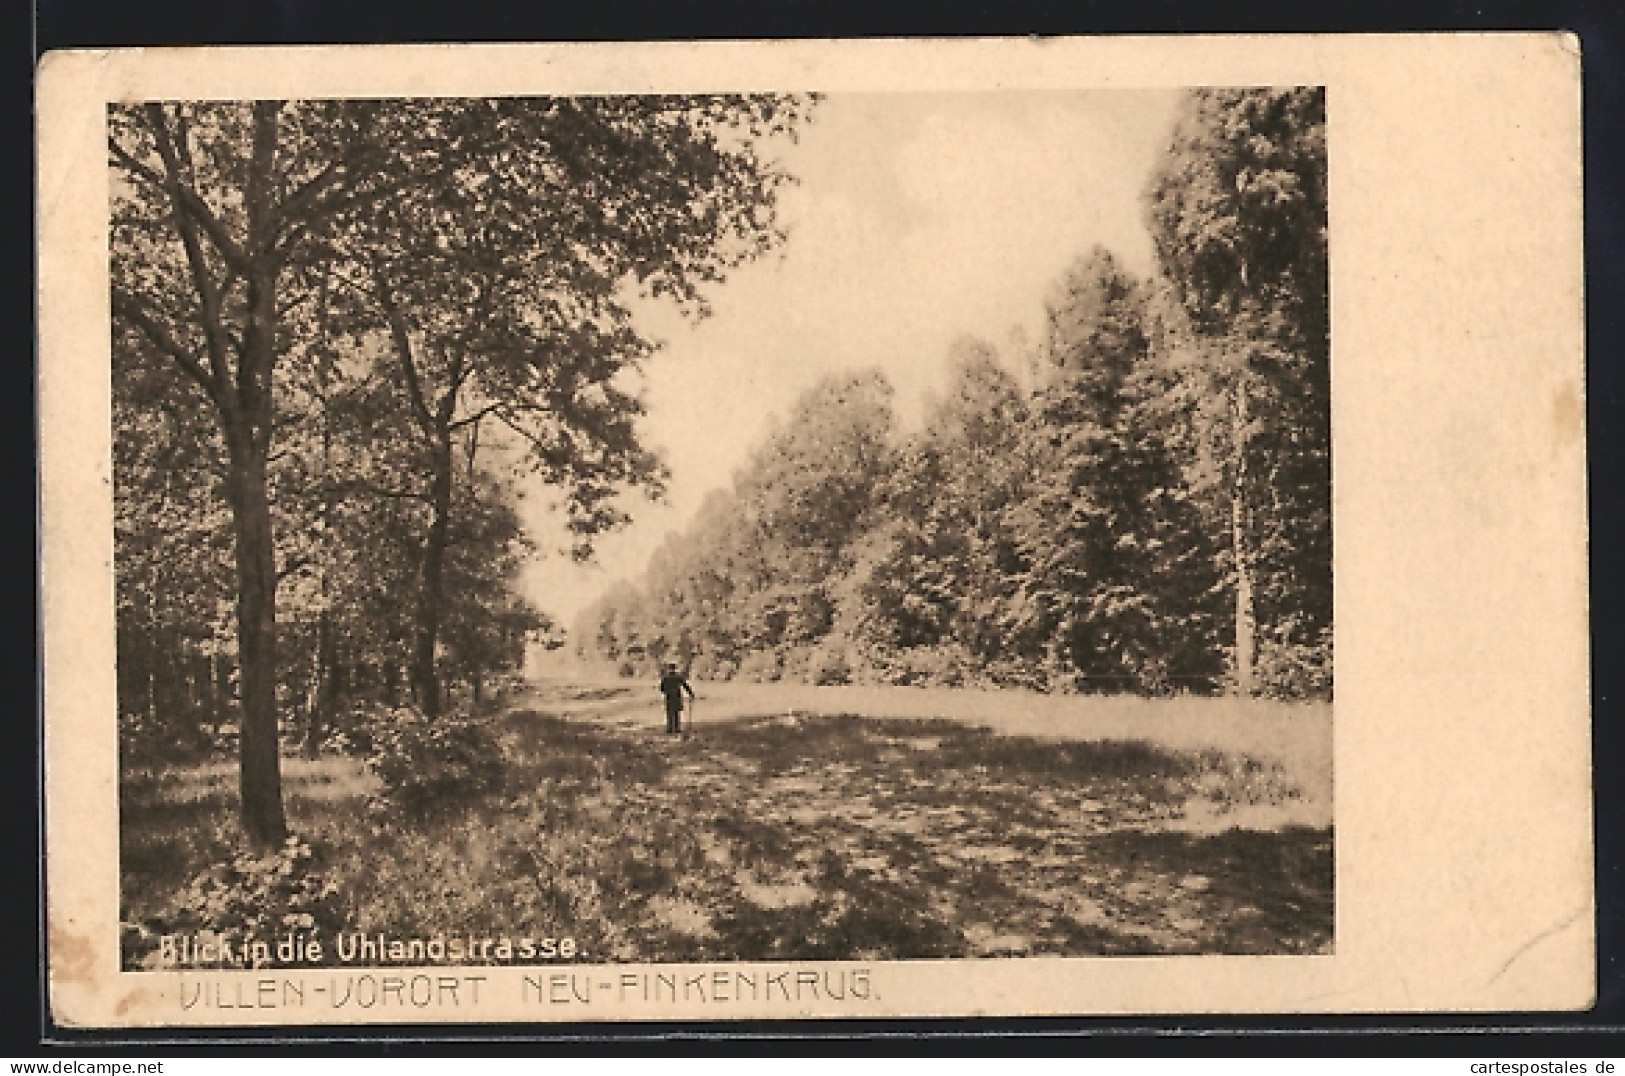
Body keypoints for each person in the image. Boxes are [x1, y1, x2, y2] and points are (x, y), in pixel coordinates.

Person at [658, 663, 695, 735]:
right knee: (676, 713)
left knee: (669, 713)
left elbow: (662, 689)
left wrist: (667, 691)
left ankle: (670, 728)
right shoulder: (678, 677)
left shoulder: (665, 678)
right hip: (677, 696)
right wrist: (691, 693)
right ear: (675, 669)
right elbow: (685, 686)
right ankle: (677, 728)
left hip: (669, 696)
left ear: (668, 669)